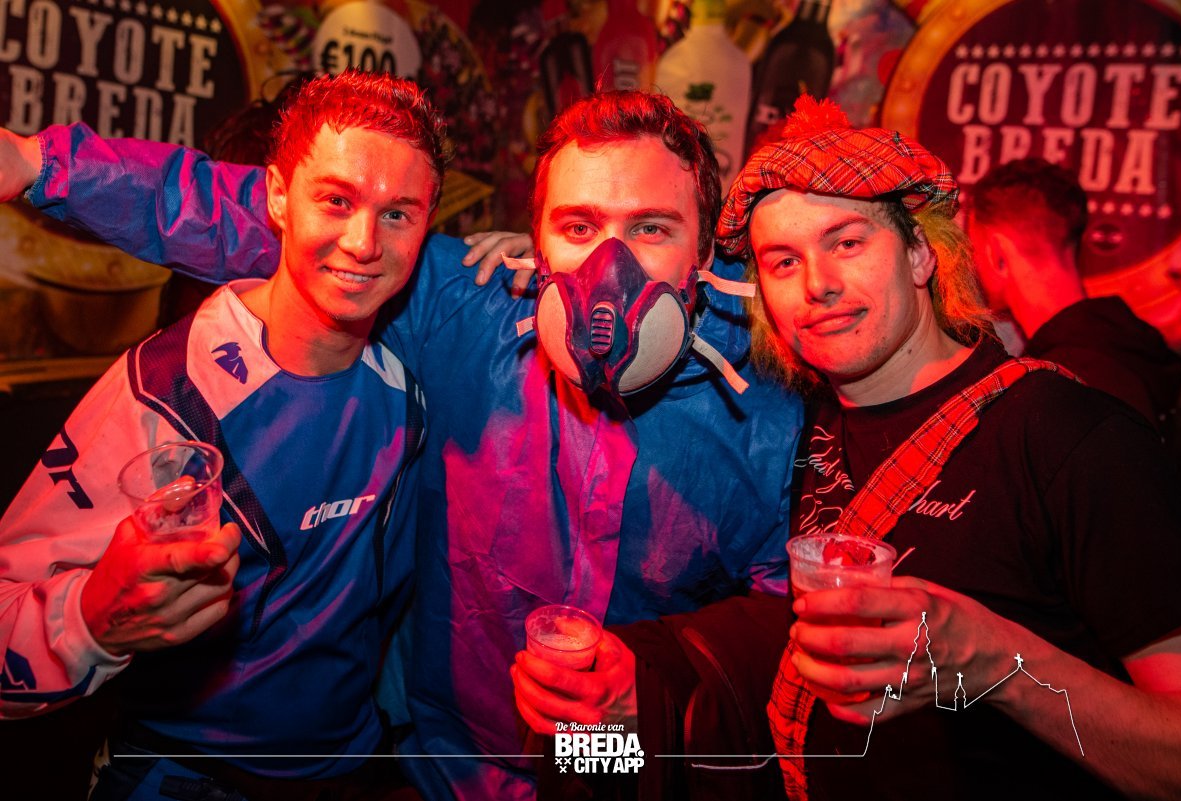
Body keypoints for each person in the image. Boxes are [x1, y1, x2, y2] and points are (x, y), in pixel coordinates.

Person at [0, 91, 805, 799]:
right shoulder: (464, 309)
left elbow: (790, 634)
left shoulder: (769, 402)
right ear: (537, 243)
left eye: (652, 227)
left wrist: (651, 695)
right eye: (578, 226)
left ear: (705, 252)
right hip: (434, 771)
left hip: (612, 772)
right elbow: (252, 214)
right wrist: (39, 165)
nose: (608, 268)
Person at [714, 96, 1181, 800]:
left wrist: (993, 659)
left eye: (847, 243)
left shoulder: (1067, 433)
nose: (817, 285)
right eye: (784, 261)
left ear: (920, 255)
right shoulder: (795, 428)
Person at [0, 70, 445, 800]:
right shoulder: (168, 391)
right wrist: (91, 620)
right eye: (336, 200)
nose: (363, 242)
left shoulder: (410, 381)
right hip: (185, 778)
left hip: (357, 769)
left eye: (398, 213)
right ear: (276, 196)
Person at [967, 157, 1181, 433]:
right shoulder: (1123, 349)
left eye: (973, 248)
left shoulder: (1061, 380)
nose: (971, 265)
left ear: (996, 253)